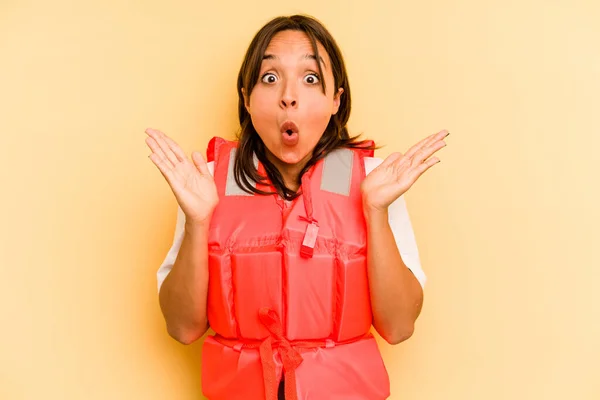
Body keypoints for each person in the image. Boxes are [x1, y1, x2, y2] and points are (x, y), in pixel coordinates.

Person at [145, 14, 448, 400]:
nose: (289, 95)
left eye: (310, 78)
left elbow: (400, 325)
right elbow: (182, 328)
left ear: (336, 99)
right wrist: (197, 221)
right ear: (246, 99)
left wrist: (375, 211)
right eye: (270, 78)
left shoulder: (376, 181)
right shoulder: (203, 183)